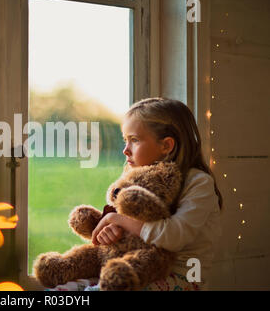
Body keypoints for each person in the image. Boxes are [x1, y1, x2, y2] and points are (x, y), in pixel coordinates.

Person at [91, 97, 223, 291]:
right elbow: (131, 220)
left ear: (166, 146)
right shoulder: (137, 176)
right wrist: (115, 231)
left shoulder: (198, 182)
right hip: (139, 265)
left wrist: (117, 219)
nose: (125, 150)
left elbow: (174, 236)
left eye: (134, 140)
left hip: (184, 276)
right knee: (69, 288)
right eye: (125, 140)